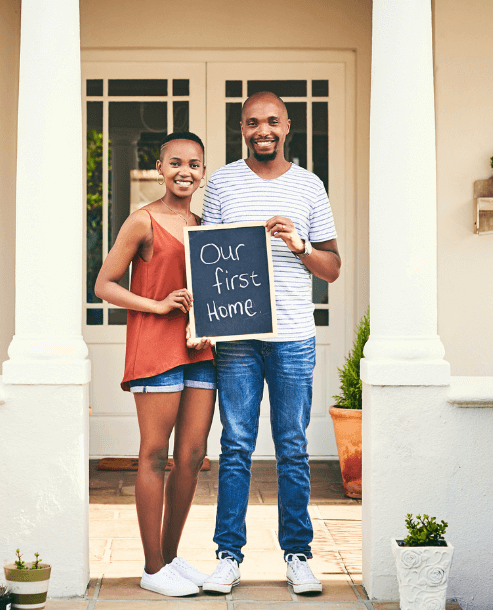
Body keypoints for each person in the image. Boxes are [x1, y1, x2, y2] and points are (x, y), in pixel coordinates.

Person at [200, 92, 341, 595]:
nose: (264, 129)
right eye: (254, 122)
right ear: (241, 127)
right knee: (235, 446)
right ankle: (227, 556)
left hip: (293, 337)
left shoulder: (309, 185)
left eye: (272, 121)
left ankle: (298, 555)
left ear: (288, 126)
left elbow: (333, 266)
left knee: (293, 447)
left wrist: (299, 244)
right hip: (237, 336)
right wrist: (207, 317)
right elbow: (206, 260)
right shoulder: (221, 183)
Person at [94, 132, 216, 597]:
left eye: (195, 164)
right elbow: (104, 285)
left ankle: (168, 558)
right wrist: (159, 305)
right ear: (161, 168)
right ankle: (150, 566)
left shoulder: (206, 227)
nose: (186, 171)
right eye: (177, 162)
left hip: (199, 350)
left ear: (203, 172)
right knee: (154, 454)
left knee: (191, 456)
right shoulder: (141, 221)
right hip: (155, 352)